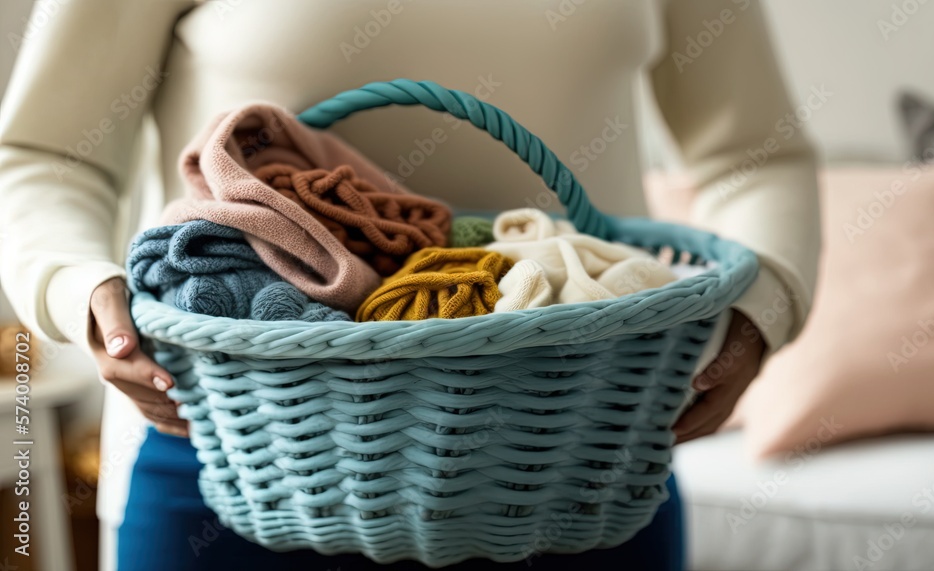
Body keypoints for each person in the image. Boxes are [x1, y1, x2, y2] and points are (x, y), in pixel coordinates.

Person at [0, 0, 819, 569]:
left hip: (579, 450)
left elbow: (753, 154)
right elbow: (45, 153)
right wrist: (80, 289)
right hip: (239, 449)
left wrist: (762, 309)